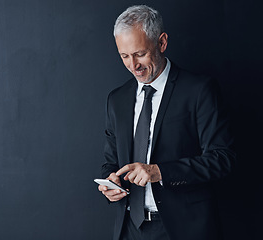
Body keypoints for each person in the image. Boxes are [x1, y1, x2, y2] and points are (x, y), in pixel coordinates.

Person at [98, 5, 235, 240]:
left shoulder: (199, 91)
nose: (133, 65)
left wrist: (159, 172)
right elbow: (110, 162)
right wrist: (111, 182)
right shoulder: (116, 99)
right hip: (129, 229)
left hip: (183, 229)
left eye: (140, 53)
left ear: (161, 43)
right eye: (124, 56)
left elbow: (222, 158)